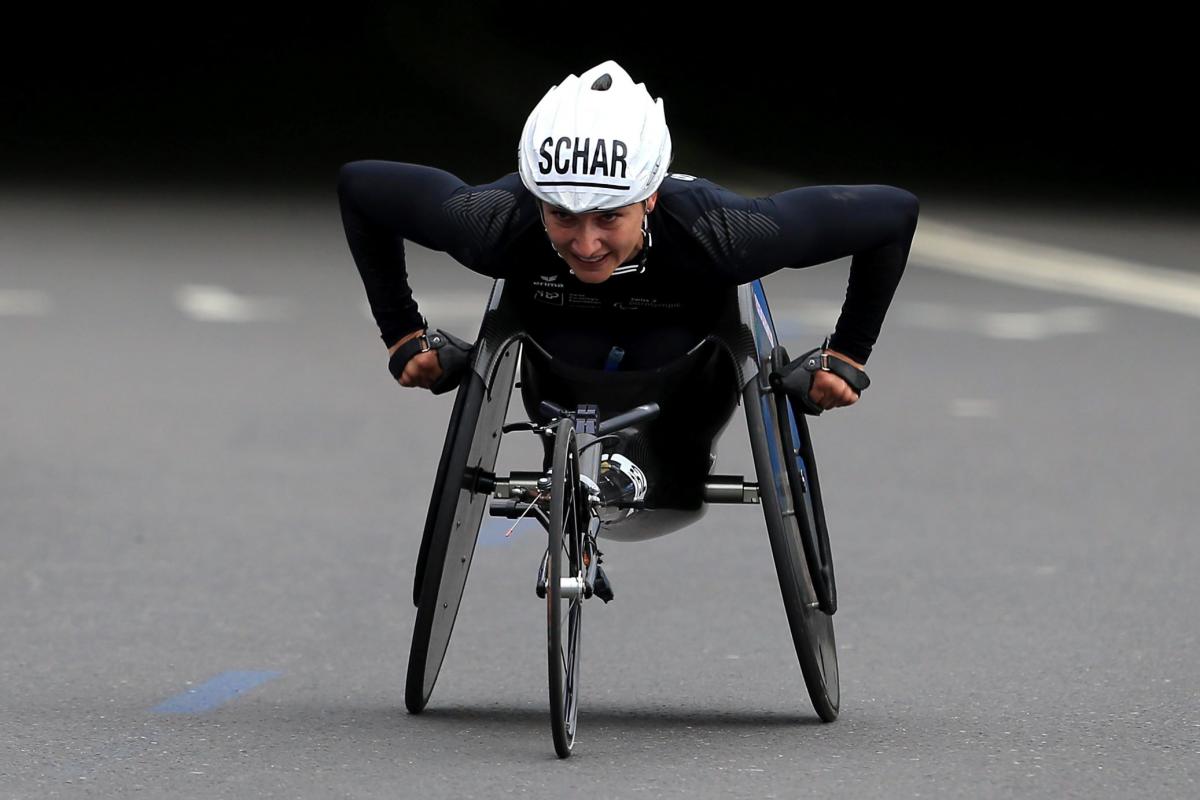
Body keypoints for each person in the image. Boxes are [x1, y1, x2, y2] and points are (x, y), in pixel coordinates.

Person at [338, 60, 918, 496]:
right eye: (561, 214)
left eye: (608, 218)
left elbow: (891, 213)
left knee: (674, 443)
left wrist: (848, 354)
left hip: (685, 357)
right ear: (535, 197)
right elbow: (361, 186)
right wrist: (403, 334)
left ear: (650, 197)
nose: (585, 245)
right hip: (555, 350)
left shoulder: (722, 231)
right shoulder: (491, 223)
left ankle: (650, 461)